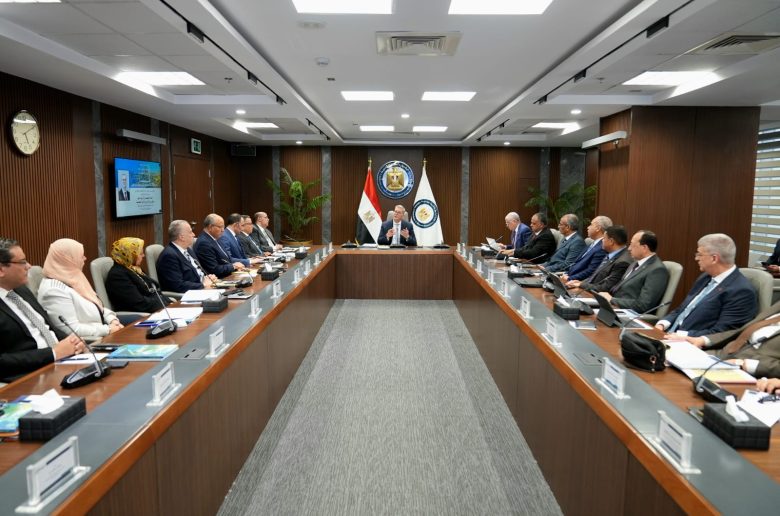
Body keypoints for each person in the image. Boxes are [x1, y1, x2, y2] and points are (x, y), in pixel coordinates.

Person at [0, 238, 85, 382]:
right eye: (22, 262)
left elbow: (48, 327)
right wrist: (53, 353)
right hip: (29, 376)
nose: (29, 266)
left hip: (62, 362)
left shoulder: (21, 290)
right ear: (1, 269)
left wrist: (73, 341)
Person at [657, 233, 757, 338]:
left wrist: (681, 335)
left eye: (699, 254)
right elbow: (683, 308)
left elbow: (722, 333)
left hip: (690, 342)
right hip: (668, 334)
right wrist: (662, 324)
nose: (696, 258)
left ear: (714, 258)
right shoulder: (706, 277)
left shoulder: (741, 291)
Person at [38, 238, 123, 340]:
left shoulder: (74, 277)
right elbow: (71, 330)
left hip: (104, 335)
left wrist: (113, 320)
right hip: (90, 343)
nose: (85, 258)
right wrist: (107, 329)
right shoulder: (53, 291)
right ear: (68, 259)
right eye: (81, 256)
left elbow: (97, 306)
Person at [681, 301, 780, 379]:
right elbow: (743, 330)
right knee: (676, 362)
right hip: (724, 352)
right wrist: (704, 340)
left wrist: (746, 364)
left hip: (750, 370)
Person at [597, 230, 669, 314]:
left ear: (644, 248)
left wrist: (612, 300)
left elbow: (643, 305)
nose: (629, 248)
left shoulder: (657, 270)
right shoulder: (635, 263)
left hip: (629, 314)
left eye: (632, 245)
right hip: (613, 307)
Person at [105, 237, 172, 314]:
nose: (143, 255)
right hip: (140, 315)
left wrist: (169, 303)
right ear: (129, 255)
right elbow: (139, 303)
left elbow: (152, 290)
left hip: (154, 309)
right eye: (140, 254)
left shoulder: (133, 268)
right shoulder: (117, 276)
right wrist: (165, 305)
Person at [156, 220, 217, 293]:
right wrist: (203, 285)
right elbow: (177, 285)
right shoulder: (169, 256)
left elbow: (197, 272)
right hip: (188, 295)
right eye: (190, 232)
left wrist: (207, 278)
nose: (194, 234)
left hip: (202, 289)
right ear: (182, 237)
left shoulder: (188, 250)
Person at [566, 225, 631, 292]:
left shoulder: (622, 263)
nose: (602, 241)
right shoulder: (610, 254)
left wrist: (581, 284)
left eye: (604, 238)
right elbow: (594, 276)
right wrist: (580, 282)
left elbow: (605, 288)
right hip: (589, 289)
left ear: (611, 241)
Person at [193, 213, 246, 278]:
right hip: (219, 279)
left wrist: (237, 265)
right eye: (220, 227)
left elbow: (227, 259)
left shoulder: (215, 238)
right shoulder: (204, 243)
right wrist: (233, 266)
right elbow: (214, 269)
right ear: (210, 227)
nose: (223, 230)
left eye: (223, 227)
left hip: (229, 275)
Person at [561, 215, 611, 282]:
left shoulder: (602, 248)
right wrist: (565, 274)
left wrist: (569, 278)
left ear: (598, 228)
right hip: (568, 275)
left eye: (591, 225)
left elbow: (590, 271)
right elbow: (576, 263)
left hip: (575, 282)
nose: (588, 227)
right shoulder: (592, 243)